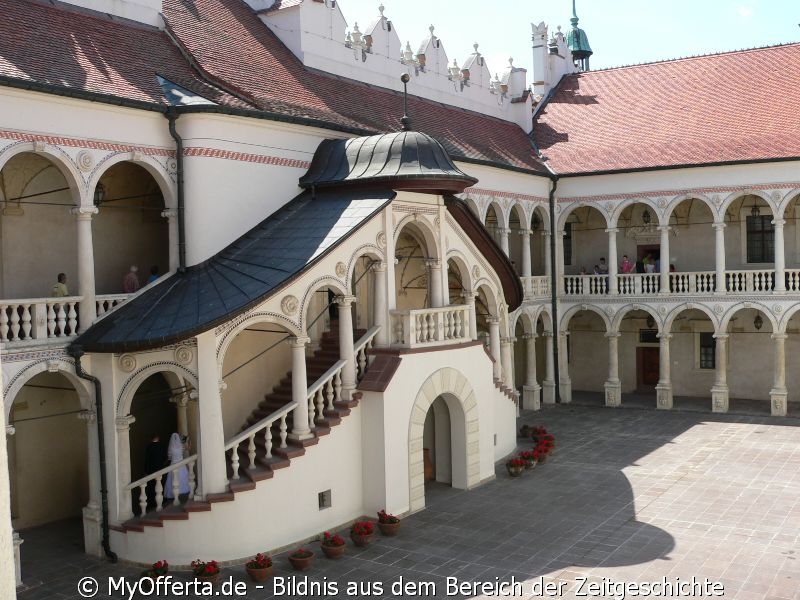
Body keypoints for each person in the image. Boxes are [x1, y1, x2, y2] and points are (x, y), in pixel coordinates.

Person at [164, 433, 190, 504]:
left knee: (172, 480)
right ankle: (183, 491)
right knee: (182, 478)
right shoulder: (181, 446)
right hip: (181, 465)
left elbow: (169, 457)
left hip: (173, 465)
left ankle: (173, 494)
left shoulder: (171, 448)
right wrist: (187, 441)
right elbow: (187, 449)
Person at [143, 434, 166, 510]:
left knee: (151, 487)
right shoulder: (162, 446)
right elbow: (164, 457)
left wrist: (145, 471)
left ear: (151, 439)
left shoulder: (148, 447)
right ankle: (161, 501)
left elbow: (146, 459)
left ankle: (151, 503)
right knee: (160, 485)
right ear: (158, 438)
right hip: (160, 469)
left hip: (150, 470)